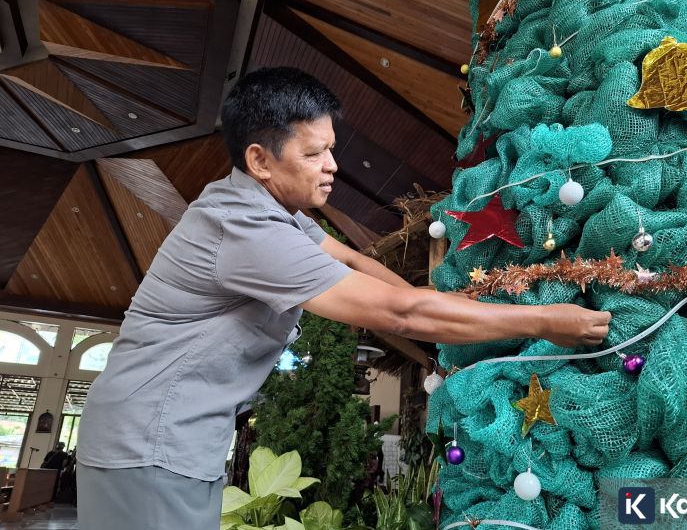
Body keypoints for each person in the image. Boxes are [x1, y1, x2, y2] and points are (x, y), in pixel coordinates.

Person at [76, 66, 611, 530]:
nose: (332, 165)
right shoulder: (246, 231)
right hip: (148, 439)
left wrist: (448, 325)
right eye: (314, 153)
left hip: (175, 436)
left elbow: (356, 261)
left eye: (331, 148)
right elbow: (398, 313)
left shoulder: (274, 214)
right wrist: (542, 320)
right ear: (261, 160)